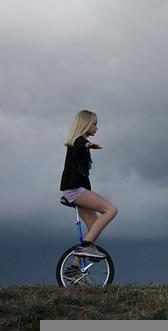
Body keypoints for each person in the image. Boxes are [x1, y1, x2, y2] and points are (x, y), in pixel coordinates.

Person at [60, 110, 118, 258]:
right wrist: (89, 145)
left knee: (94, 226)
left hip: (77, 189)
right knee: (111, 210)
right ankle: (86, 246)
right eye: (94, 124)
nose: (97, 127)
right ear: (86, 124)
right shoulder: (78, 142)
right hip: (75, 190)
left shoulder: (78, 142)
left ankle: (75, 269)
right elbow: (81, 144)